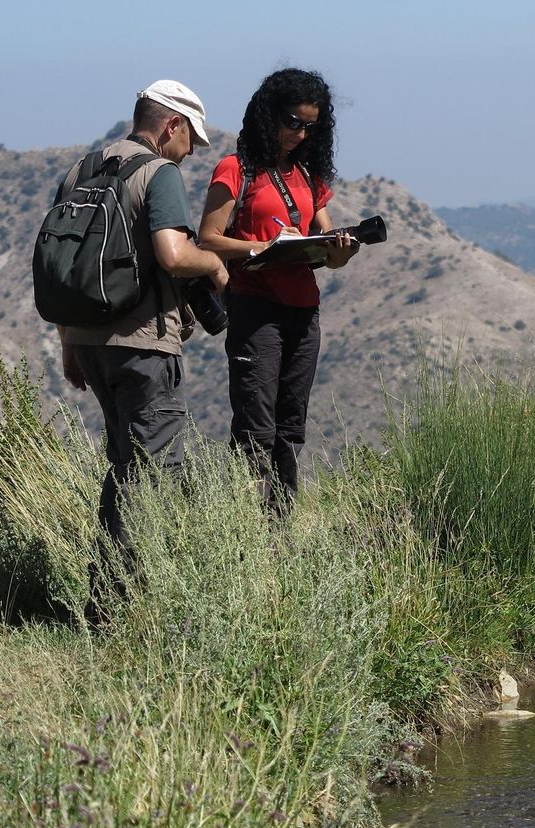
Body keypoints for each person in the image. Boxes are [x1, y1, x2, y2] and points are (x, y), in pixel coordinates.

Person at [55, 79, 228, 546]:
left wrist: (69, 343)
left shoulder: (81, 170)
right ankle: (122, 598)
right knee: (153, 473)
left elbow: (62, 267)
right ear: (172, 124)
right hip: (142, 347)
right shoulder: (158, 173)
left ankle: (109, 592)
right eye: (191, 137)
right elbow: (173, 255)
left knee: (127, 464)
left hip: (90, 343)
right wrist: (212, 262)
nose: (190, 151)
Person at [198, 68, 358, 514]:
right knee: (255, 430)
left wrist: (342, 248)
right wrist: (264, 246)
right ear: (269, 115)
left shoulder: (307, 175)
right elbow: (207, 238)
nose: (300, 134)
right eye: (293, 122)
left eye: (310, 126)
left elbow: (327, 247)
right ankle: (244, 531)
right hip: (255, 309)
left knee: (291, 429)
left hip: (304, 312)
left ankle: (279, 532)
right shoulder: (236, 168)